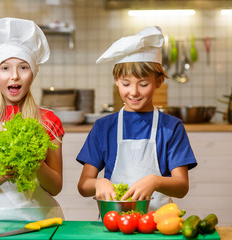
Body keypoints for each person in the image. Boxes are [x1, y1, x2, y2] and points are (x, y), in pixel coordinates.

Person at [76, 26, 197, 211]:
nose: (133, 92)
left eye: (143, 84)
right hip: (115, 221)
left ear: (158, 82)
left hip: (158, 223)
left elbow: (182, 187)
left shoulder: (171, 127)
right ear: (116, 81)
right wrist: (98, 183)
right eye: (126, 83)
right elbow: (83, 186)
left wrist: (155, 181)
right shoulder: (104, 127)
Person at [0, 17, 65, 221]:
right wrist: (4, 173)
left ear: (32, 75)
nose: (15, 76)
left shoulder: (49, 120)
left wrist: (37, 165)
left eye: (23, 67)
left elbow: (55, 187)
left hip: (42, 221)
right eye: (5, 68)